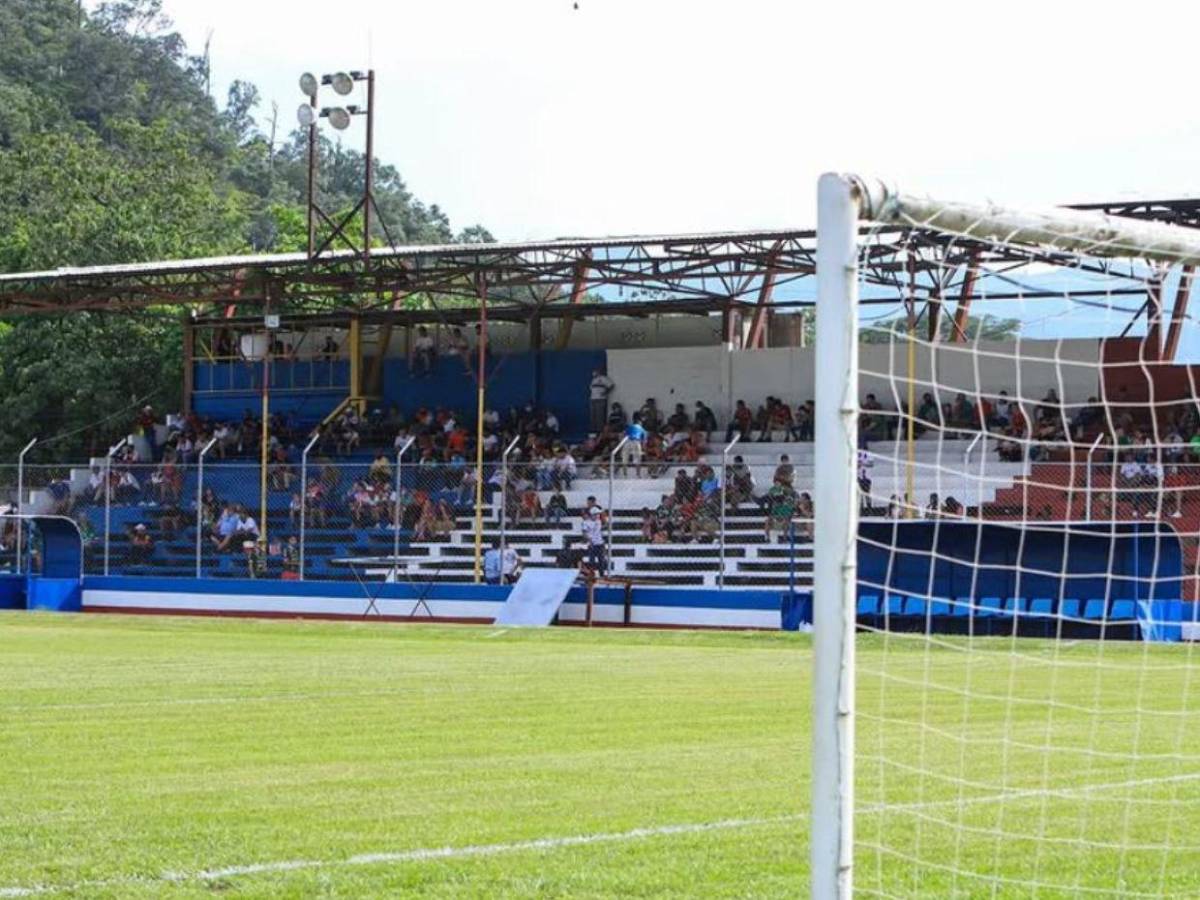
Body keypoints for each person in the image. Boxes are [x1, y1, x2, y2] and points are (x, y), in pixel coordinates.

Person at [581, 505, 607, 576]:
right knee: (591, 561)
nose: (598, 515)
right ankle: (591, 575)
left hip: (600, 543)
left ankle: (602, 575)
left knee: (601, 560)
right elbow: (584, 533)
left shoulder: (599, 521)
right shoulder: (586, 522)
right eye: (596, 514)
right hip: (592, 544)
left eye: (598, 514)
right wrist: (589, 540)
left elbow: (604, 524)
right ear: (593, 514)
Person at [589, 368, 615, 433]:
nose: (594, 373)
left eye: (596, 371)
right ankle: (593, 430)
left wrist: (605, 393)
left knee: (600, 416)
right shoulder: (593, 380)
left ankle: (599, 431)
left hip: (600, 399)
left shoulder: (603, 378)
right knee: (593, 416)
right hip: (593, 399)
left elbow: (611, 385)